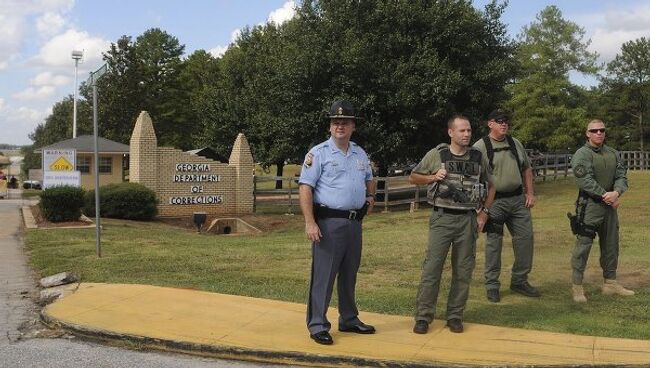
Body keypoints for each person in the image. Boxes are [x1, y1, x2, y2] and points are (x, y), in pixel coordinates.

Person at [298, 100, 376, 345]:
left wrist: (370, 197)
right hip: (328, 223)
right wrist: (310, 222)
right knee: (324, 275)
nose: (340, 126)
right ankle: (318, 324)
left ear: (353, 126)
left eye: (345, 122)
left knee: (349, 274)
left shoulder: (359, 153)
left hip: (354, 223)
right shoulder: (318, 153)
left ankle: (349, 319)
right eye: (335, 122)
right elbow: (305, 188)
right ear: (330, 127)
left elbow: (370, 178)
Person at [410, 115, 495, 334]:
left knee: (463, 270)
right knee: (432, 269)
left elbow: (492, 186)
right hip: (442, 218)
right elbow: (414, 177)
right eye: (461, 131)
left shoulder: (478, 156)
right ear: (451, 133)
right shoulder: (437, 154)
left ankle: (455, 316)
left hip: (467, 219)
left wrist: (483, 212)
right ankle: (423, 317)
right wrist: (433, 177)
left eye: (468, 131)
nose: (466, 134)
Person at [473, 109, 540, 303]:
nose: (504, 124)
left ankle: (519, 280)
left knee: (525, 240)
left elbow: (526, 168)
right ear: (490, 124)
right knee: (494, 245)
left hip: (518, 201)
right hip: (494, 203)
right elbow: (473, 178)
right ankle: (492, 285)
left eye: (506, 121)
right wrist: (480, 208)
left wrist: (530, 192)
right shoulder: (480, 147)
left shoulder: (514, 143)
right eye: (499, 121)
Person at [569, 119, 632, 303]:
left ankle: (610, 283)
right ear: (587, 133)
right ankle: (577, 286)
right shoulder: (582, 154)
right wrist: (606, 195)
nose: (598, 133)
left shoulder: (613, 153)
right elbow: (584, 180)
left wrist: (617, 192)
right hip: (589, 207)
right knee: (583, 246)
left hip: (610, 208)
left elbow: (622, 176)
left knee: (611, 245)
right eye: (594, 130)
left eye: (602, 130)